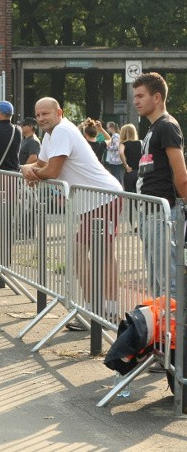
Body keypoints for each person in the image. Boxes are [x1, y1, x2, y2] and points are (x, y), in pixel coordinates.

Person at [20, 97, 123, 328]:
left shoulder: (63, 131)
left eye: (45, 114)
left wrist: (31, 173)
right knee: (92, 254)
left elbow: (52, 171)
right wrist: (31, 170)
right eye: (37, 115)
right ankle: (98, 311)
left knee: (97, 254)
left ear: (60, 112)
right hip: (91, 200)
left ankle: (102, 312)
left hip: (103, 197)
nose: (41, 119)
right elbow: (42, 165)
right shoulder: (50, 134)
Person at [133, 72, 187, 296]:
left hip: (163, 213)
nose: (135, 101)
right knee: (158, 283)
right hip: (151, 213)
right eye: (134, 96)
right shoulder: (153, 128)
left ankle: (173, 330)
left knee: (168, 283)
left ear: (157, 97)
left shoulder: (166, 126)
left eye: (140, 96)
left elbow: (181, 175)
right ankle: (162, 329)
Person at [118, 123, 142, 196]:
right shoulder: (140, 142)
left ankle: (131, 207)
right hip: (140, 172)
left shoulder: (123, 143)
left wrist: (126, 166)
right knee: (139, 194)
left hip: (130, 171)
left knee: (129, 196)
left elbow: (121, 152)